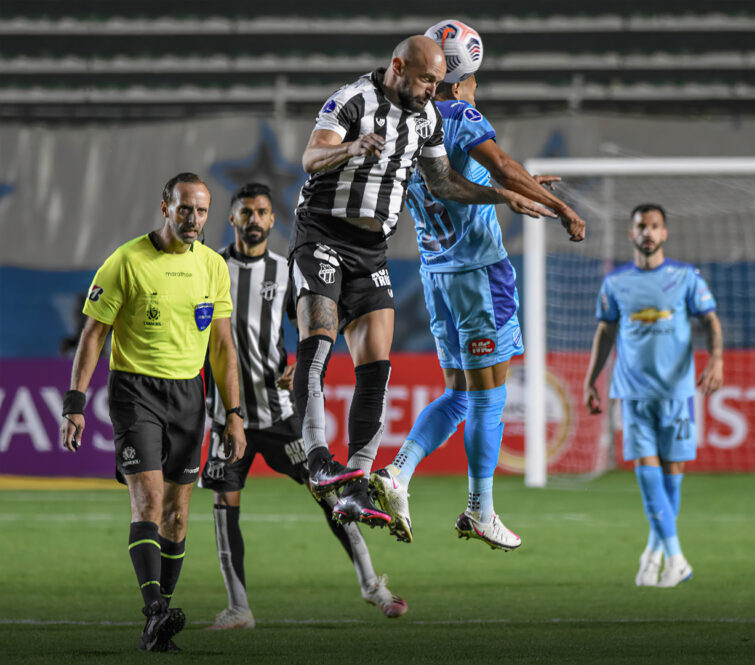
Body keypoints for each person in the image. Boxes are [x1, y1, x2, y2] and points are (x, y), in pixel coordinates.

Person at [289, 34, 553, 527]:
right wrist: (350, 149)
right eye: (428, 79)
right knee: (320, 342)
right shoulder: (351, 100)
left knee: (377, 368)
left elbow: (444, 182)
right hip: (322, 232)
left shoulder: (427, 118)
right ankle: (318, 460)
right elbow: (310, 159)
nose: (436, 89)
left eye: (440, 80)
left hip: (371, 251)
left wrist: (503, 196)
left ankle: (359, 484)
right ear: (398, 67)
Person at [368, 25, 586, 551]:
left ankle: (398, 473)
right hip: (479, 272)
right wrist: (561, 209)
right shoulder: (459, 113)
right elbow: (501, 166)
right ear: (462, 76)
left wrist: (523, 183)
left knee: (461, 393)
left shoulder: (407, 118)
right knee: (489, 396)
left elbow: (470, 177)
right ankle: (479, 510)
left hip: (436, 273)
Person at [199, 183, 406, 629]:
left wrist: (299, 365)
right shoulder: (211, 268)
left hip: (278, 413)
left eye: (261, 212)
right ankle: (239, 608)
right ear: (232, 218)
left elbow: (315, 323)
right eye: (245, 212)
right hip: (226, 417)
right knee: (225, 507)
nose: (254, 220)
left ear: (274, 221)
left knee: (329, 493)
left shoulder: (288, 269)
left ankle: (373, 585)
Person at [58, 173, 246, 651]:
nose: (194, 219)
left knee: (178, 518)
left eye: (202, 211)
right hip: (135, 392)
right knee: (148, 502)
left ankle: (157, 625)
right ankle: (156, 611)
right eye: (185, 209)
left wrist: (235, 413)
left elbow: (223, 345)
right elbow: (93, 334)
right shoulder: (125, 261)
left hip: (189, 396)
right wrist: (75, 403)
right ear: (165, 207)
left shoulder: (212, 267)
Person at [582, 204, 724, 587]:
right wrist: (591, 379)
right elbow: (605, 333)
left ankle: (654, 552)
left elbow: (710, 320)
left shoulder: (685, 277)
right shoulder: (615, 283)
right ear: (632, 233)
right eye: (641, 226)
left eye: (655, 226)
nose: (648, 232)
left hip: (677, 394)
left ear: (665, 234)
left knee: (672, 477)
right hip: (633, 394)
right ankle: (676, 557)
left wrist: (716, 361)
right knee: (648, 476)